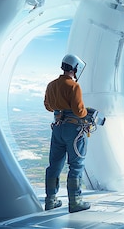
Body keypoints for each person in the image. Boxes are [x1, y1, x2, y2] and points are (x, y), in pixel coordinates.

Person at [43, 53, 91, 213]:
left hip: (57, 128)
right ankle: (75, 202)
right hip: (74, 130)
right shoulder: (74, 86)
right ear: (75, 68)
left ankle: (50, 200)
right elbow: (79, 111)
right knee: (76, 165)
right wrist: (86, 113)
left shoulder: (51, 85)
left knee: (54, 165)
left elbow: (48, 107)